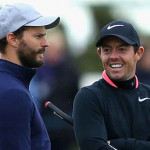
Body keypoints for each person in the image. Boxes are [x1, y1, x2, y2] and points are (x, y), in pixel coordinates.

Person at [73, 20, 150, 150]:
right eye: (107, 50)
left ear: (138, 53)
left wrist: (120, 144)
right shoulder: (89, 97)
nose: (114, 56)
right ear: (100, 54)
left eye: (122, 49)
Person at [0, 3, 60, 150]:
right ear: (13, 39)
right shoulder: (12, 93)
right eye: (38, 36)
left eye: (44, 36)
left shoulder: (10, 85)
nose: (46, 43)